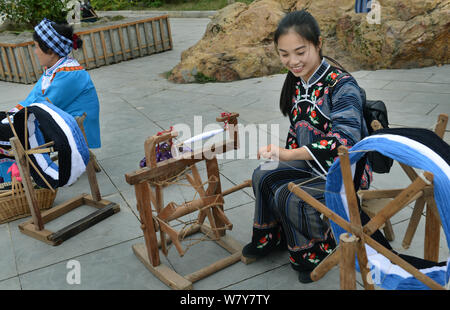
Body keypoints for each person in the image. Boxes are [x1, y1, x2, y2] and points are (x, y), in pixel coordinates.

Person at [241, 10, 372, 283]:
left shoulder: (341, 84)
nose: (293, 61)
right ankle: (271, 237)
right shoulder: (299, 83)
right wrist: (279, 156)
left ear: (318, 43)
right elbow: (296, 130)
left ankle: (316, 250)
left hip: (344, 170)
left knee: (290, 195)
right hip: (312, 162)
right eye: (284, 54)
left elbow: (344, 141)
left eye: (300, 52)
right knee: (263, 174)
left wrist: (289, 155)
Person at [0, 18, 101, 149]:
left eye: (36, 47)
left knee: (4, 131)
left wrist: (13, 120)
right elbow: (34, 99)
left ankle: (15, 167)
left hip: (68, 126)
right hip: (55, 118)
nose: (35, 52)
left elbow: (44, 106)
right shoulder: (55, 69)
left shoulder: (70, 74)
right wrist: (12, 115)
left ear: (51, 51)